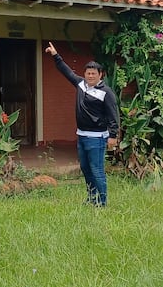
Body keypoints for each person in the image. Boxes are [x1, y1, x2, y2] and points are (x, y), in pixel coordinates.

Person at [44, 41, 119, 206]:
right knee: (85, 169)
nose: (90, 76)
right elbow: (66, 72)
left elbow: (113, 116)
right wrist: (56, 55)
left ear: (101, 75)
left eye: (93, 73)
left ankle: (102, 202)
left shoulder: (106, 93)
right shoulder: (81, 85)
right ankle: (92, 199)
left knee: (97, 170)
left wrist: (113, 136)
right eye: (88, 73)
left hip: (97, 138)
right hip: (82, 136)